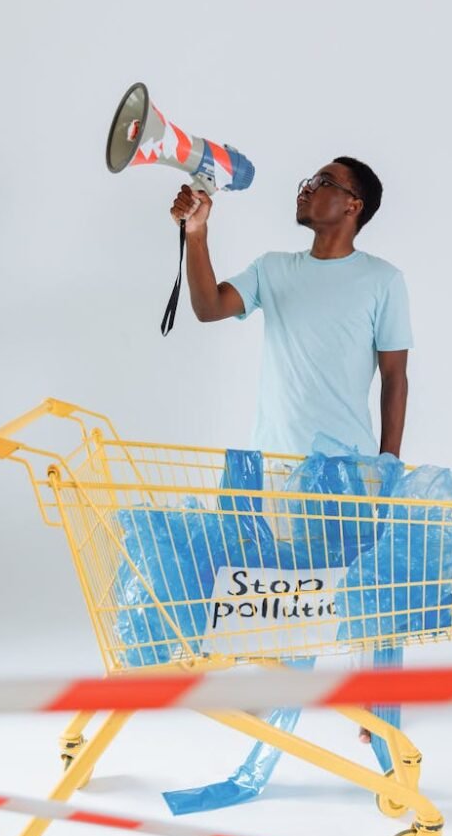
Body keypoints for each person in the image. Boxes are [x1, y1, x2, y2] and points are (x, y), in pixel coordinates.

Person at [170, 157, 412, 743]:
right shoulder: (274, 270)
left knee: (370, 591)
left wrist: (388, 463)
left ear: (353, 206)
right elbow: (207, 307)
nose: (307, 188)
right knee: (284, 589)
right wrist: (197, 233)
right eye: (309, 180)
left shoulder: (382, 280)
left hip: (350, 472)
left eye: (324, 183)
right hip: (275, 465)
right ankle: (282, 708)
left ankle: (380, 714)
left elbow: (395, 377)